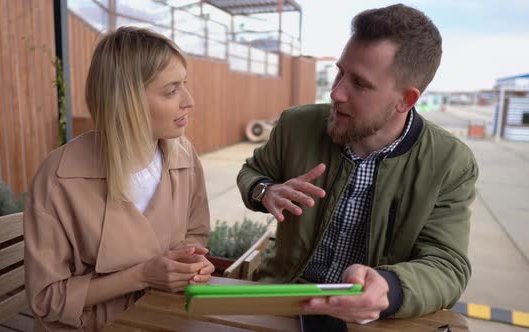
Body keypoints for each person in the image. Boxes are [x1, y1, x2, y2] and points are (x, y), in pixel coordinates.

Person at [237, 3, 478, 324]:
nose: (336, 93)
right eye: (339, 72)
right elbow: (252, 173)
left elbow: (447, 264)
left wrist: (390, 289)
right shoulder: (296, 125)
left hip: (372, 317)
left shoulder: (451, 162)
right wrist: (264, 191)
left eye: (360, 84)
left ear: (405, 100)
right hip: (284, 298)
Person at [24, 27, 214, 332]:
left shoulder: (184, 156)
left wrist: (188, 264)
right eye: (171, 90)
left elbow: (196, 233)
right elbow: (47, 299)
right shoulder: (58, 178)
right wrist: (142, 275)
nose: (189, 100)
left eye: (185, 84)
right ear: (128, 100)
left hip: (167, 314)